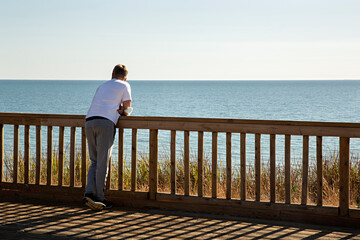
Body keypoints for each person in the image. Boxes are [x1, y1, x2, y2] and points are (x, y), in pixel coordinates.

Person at [83, 64, 132, 210]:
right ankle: (99, 198)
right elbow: (128, 109)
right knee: (103, 162)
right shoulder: (124, 85)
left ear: (112, 74)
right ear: (125, 77)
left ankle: (89, 193)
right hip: (105, 123)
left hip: (90, 121)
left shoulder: (102, 86)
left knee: (94, 161)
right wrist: (123, 112)